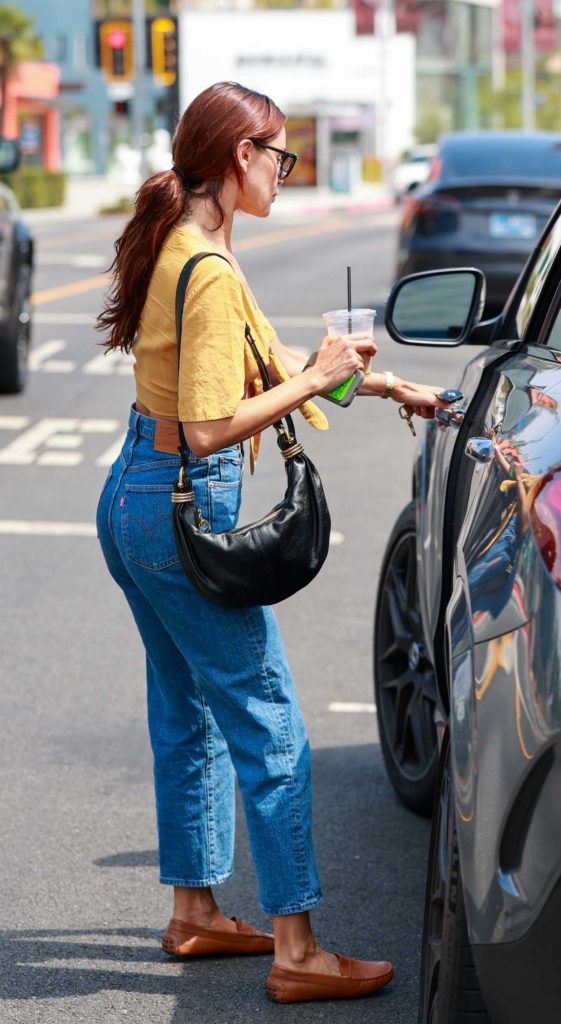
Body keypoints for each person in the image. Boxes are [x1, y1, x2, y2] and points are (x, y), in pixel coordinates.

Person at [96, 81, 448, 1004]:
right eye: (279, 156)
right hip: (184, 505)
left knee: (189, 713)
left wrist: (382, 386)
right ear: (236, 157)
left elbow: (264, 371)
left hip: (134, 494)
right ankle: (297, 950)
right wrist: (325, 374)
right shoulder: (206, 269)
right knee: (272, 722)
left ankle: (196, 911)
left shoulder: (191, 244)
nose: (287, 174)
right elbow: (213, 426)